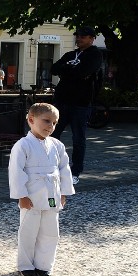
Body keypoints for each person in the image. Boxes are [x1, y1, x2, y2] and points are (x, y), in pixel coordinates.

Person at [8, 103, 75, 276]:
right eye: (46, 121)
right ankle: (26, 264)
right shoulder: (22, 145)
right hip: (31, 195)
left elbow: (64, 170)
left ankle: (44, 265)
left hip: (52, 195)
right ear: (31, 120)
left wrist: (64, 192)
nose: (50, 126)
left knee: (50, 231)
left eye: (54, 123)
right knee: (29, 231)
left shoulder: (57, 146)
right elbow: (16, 172)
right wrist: (21, 196)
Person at [50, 27, 103, 185]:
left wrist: (67, 70)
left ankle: (76, 170)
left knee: (78, 138)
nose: (79, 39)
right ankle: (53, 166)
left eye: (83, 36)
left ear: (92, 38)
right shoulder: (70, 55)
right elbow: (54, 69)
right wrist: (70, 69)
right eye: (78, 36)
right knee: (53, 135)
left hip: (81, 103)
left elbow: (84, 71)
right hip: (62, 101)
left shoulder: (95, 55)